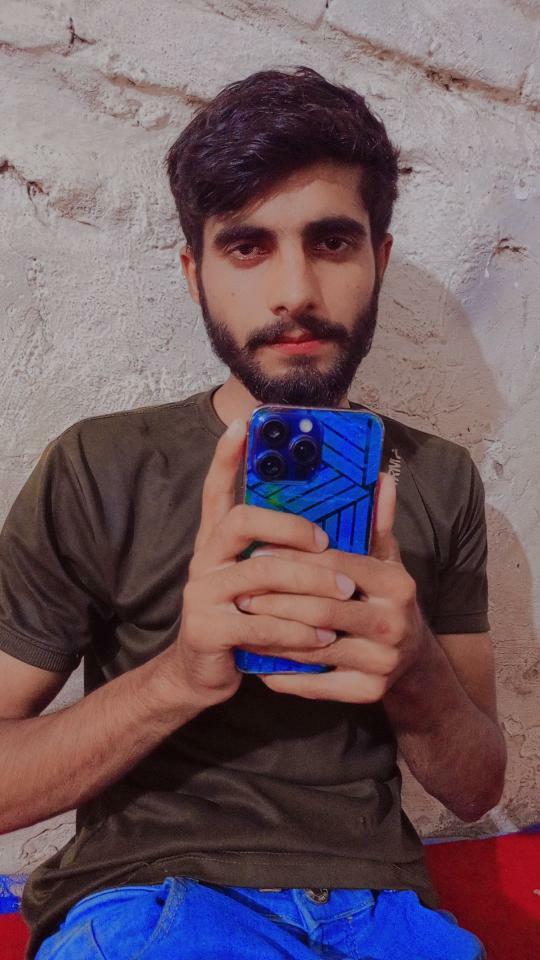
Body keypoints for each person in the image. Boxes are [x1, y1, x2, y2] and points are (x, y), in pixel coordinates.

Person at [0, 67, 505, 960]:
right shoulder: (100, 465)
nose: (294, 291)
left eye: (332, 241)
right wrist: (180, 677)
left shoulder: (440, 478)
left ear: (379, 259)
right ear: (193, 273)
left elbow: (476, 788)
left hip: (384, 912)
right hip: (156, 903)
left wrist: (415, 668)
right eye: (247, 247)